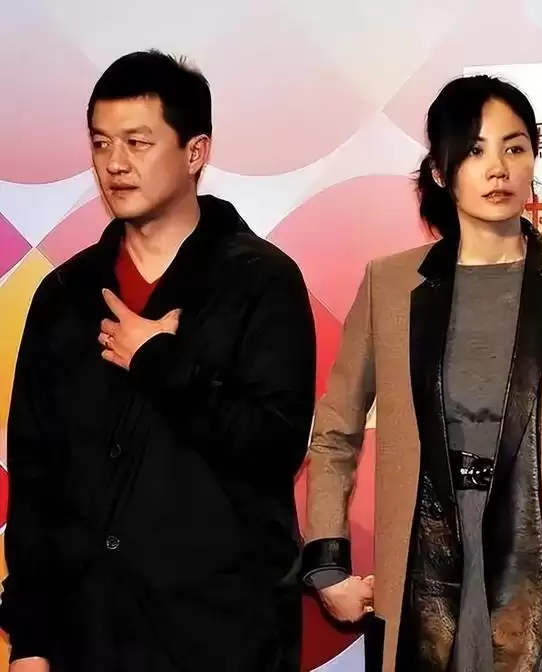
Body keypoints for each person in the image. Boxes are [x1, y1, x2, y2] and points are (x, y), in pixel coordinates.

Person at [302, 74, 542, 671]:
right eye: (475, 150)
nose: (498, 169)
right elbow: (335, 429)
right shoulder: (390, 284)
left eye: (514, 148)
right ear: (441, 172)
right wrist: (327, 562)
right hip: (425, 566)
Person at [0, 50, 316, 672]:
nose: (114, 164)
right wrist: (30, 639)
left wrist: (161, 363)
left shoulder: (261, 281)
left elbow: (276, 445)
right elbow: (36, 474)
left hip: (220, 638)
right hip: (85, 637)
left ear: (195, 152)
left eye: (137, 142)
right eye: (101, 143)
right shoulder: (64, 295)